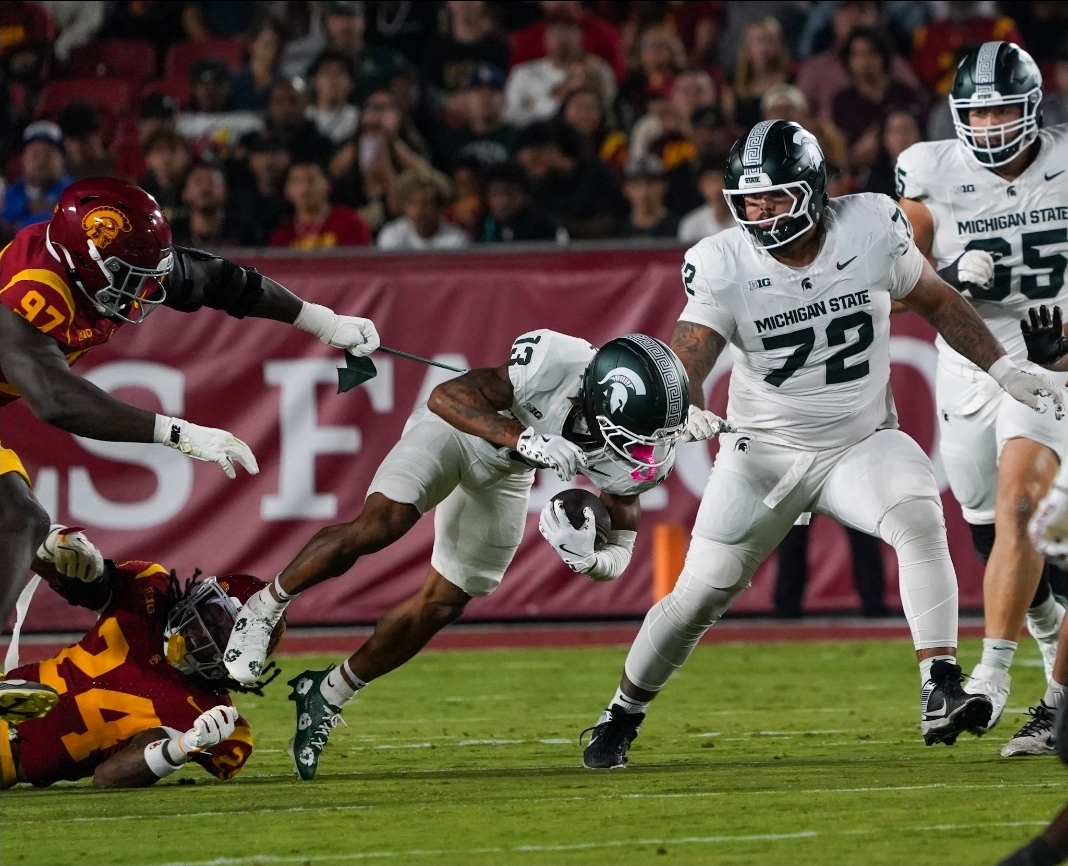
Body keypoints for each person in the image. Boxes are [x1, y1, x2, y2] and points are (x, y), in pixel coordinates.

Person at [579, 119, 1061, 770]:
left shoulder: (870, 225)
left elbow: (939, 301)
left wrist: (1003, 369)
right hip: (765, 451)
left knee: (920, 513)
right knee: (699, 595)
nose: (761, 213)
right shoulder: (722, 261)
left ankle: (940, 683)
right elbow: (690, 353)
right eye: (749, 201)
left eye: (774, 198)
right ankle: (621, 713)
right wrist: (683, 405)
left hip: (860, 443)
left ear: (810, 189)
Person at [223, 330, 693, 780]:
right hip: (457, 433)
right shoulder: (555, 360)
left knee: (445, 601)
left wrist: (591, 563)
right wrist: (524, 438)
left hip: (507, 474)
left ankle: (327, 694)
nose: (646, 448)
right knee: (382, 524)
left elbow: (622, 547)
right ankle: (263, 607)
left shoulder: (639, 458)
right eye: (639, 431)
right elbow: (446, 398)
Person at [0, 176, 381, 721]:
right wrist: (178, 434)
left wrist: (323, 321)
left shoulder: (99, 262)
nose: (142, 293)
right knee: (17, 520)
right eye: (128, 277)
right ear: (85, 259)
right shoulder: (33, 287)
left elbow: (219, 280)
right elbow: (55, 398)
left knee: (20, 521)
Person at [896, 42, 1068, 747]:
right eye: (979, 112)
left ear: (1032, 107)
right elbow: (890, 282)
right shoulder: (929, 169)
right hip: (968, 362)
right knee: (990, 529)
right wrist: (947, 281)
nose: (991, 125)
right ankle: (1053, 656)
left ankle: (992, 679)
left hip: (1050, 357)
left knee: (1023, 505)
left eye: (1002, 110)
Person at [0, 527, 283, 788]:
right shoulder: (150, 595)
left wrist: (182, 746)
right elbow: (90, 587)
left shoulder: (212, 717)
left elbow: (108, 777)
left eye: (225, 635)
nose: (203, 633)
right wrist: (64, 553)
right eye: (212, 614)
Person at [831, 27, 926, 173]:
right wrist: (856, 154)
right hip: (861, 175)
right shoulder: (843, 102)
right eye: (857, 55)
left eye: (871, 53)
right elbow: (838, 154)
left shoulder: (905, 94)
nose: (865, 61)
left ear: (883, 57)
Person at [516, 121, 627, 241]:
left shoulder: (597, 175)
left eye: (535, 161)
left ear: (553, 151)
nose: (532, 171)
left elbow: (608, 224)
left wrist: (555, 223)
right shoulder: (538, 186)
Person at [503, 10, 588, 128]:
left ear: (580, 37)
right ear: (545, 37)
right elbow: (509, 115)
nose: (562, 37)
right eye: (556, 31)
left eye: (569, 30)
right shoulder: (524, 73)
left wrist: (534, 104)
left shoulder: (593, 71)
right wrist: (555, 99)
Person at [270, 161, 372, 250]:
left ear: (327, 184)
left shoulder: (350, 223)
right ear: (287, 191)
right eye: (297, 181)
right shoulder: (281, 236)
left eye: (311, 180)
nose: (305, 188)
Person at [444, 64, 517, 171]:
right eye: (478, 91)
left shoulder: (516, 138)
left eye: (493, 90)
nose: (485, 97)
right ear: (466, 98)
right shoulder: (450, 140)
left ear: (504, 99)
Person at [1, 123, 71, 231]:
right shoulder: (10, 191)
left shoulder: (73, 192)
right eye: (35, 154)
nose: (41, 162)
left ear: (62, 158)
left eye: (48, 155)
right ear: (23, 158)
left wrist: (19, 225)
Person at [376, 169, 469, 251]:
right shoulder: (392, 235)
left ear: (439, 206)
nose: (420, 211)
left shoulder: (457, 240)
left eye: (427, 204)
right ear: (404, 206)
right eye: (413, 204)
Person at [229, 131, 292, 247]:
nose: (267, 160)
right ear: (251, 160)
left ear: (287, 158)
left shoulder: (295, 198)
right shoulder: (238, 199)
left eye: (274, 152)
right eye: (261, 153)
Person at [732, 18, 793, 132]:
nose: (763, 49)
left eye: (768, 41)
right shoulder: (734, 85)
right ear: (747, 48)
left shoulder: (794, 80)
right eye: (758, 42)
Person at [478, 161, 558, 243]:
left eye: (511, 193)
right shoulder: (483, 226)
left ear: (525, 195)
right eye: (497, 193)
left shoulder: (540, 226)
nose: (504, 201)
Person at [170, 162, 240, 248]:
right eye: (198, 182)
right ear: (185, 193)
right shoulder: (172, 235)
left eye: (212, 182)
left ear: (225, 191)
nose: (205, 189)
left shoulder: (243, 233)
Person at [138, 129, 192, 225]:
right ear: (148, 158)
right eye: (159, 150)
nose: (166, 156)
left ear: (187, 156)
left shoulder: (197, 187)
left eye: (173, 149)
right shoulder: (141, 192)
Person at [306, 51, 359, 146]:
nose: (333, 79)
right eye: (326, 73)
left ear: (351, 83)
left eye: (340, 73)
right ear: (314, 81)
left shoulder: (358, 118)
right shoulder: (304, 116)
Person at [619, 155, 678, 239]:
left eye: (650, 184)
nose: (644, 192)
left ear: (664, 186)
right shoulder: (616, 232)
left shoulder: (681, 228)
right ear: (625, 189)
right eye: (636, 184)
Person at [677, 156, 733, 243]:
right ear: (700, 186)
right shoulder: (691, 224)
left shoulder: (747, 219)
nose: (717, 188)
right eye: (711, 181)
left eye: (722, 180)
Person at [232, 21, 284, 112]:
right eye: (266, 44)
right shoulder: (236, 81)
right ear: (252, 45)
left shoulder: (282, 82)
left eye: (274, 45)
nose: (271, 50)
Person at [57, 101, 116, 181]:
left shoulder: (119, 169)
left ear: (98, 135)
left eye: (83, 140)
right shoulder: (57, 174)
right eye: (72, 141)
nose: (78, 148)